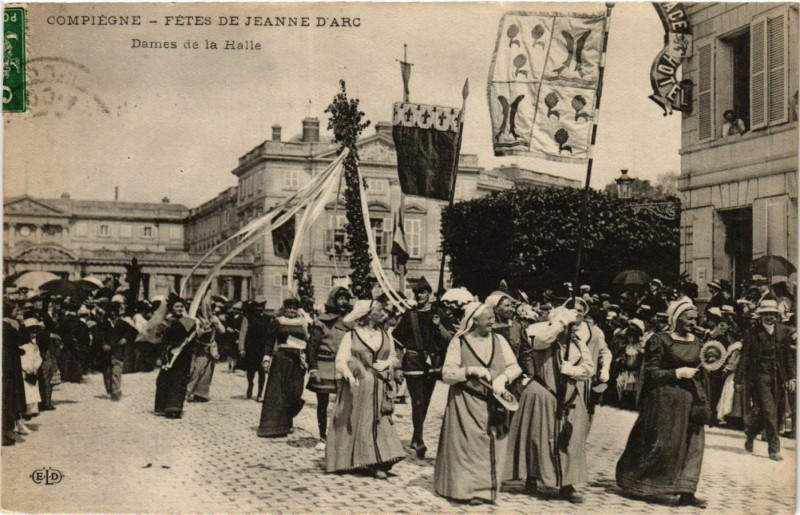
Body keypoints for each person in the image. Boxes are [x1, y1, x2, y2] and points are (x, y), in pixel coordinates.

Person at [616, 299, 710, 508]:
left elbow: (703, 367)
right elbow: (651, 373)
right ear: (676, 318)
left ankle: (687, 491)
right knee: (664, 445)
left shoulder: (698, 342)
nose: (693, 322)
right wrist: (676, 373)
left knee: (693, 445)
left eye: (695, 318)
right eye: (688, 318)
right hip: (665, 400)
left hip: (691, 400)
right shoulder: (660, 340)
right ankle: (643, 484)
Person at [434, 302, 522, 505]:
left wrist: (503, 378)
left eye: (493, 317)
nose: (492, 321)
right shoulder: (459, 342)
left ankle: (485, 491)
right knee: (466, 447)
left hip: (493, 402)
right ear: (474, 320)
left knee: (490, 445)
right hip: (465, 401)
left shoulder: (499, 340)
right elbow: (447, 374)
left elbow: (514, 367)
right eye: (488, 317)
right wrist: (469, 371)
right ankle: (464, 491)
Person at [505, 306, 592, 504]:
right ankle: (532, 476)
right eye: (569, 327)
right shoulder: (542, 336)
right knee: (538, 437)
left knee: (571, 438)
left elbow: (588, 368)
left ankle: (567, 484)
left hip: (570, 397)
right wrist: (561, 323)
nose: (571, 330)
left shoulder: (578, 343)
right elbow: (541, 342)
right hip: (544, 393)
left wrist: (573, 370)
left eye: (573, 327)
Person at [326, 300, 405, 478]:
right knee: (354, 422)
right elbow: (341, 360)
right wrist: (349, 376)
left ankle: (377, 460)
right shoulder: (351, 336)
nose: (383, 313)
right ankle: (352, 461)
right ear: (368, 314)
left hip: (379, 386)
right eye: (378, 310)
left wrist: (386, 363)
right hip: (358, 386)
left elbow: (393, 357)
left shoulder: (386, 335)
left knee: (378, 421)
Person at [392, 276, 452, 458]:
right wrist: (398, 366)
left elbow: (450, 339)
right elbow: (396, 341)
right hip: (413, 362)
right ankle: (419, 441)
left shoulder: (438, 313)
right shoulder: (409, 315)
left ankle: (415, 437)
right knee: (417, 402)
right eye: (417, 293)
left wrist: (438, 325)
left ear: (429, 294)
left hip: (433, 363)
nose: (419, 295)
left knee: (425, 403)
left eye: (423, 292)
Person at [735, 298, 795, 461]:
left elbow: (788, 357)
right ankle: (774, 450)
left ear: (776, 315)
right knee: (769, 411)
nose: (769, 317)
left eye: (772, 314)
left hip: (778, 377)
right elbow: (745, 357)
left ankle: (750, 435)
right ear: (760, 316)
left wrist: (792, 378)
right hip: (760, 378)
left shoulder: (783, 332)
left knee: (772, 412)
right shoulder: (752, 333)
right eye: (766, 314)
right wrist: (738, 380)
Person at [306, 287, 352, 451]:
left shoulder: (351, 321)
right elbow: (311, 346)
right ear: (333, 300)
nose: (343, 302)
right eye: (340, 298)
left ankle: (340, 436)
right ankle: (322, 436)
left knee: (344, 403)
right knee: (322, 403)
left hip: (343, 367)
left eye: (346, 299)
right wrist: (313, 368)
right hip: (324, 365)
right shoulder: (321, 321)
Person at [257, 298, 309, 438]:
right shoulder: (278, 321)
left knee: (295, 392)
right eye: (289, 308)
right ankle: (279, 425)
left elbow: (309, 341)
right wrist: (266, 359)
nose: (292, 311)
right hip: (282, 359)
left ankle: (288, 419)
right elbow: (269, 341)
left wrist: (308, 360)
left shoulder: (303, 322)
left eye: (294, 308)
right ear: (284, 309)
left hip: (297, 360)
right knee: (279, 393)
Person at [154, 297, 199, 418]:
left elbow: (193, 339)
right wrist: (160, 356)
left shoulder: (189, 322)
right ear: (171, 308)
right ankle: (162, 406)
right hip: (169, 356)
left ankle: (175, 407)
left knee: (179, 380)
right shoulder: (166, 322)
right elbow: (161, 340)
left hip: (182, 356)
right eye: (176, 307)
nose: (179, 309)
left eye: (181, 307)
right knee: (164, 380)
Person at [96, 302, 137, 401]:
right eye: (111, 312)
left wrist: (125, 338)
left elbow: (133, 332)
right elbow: (99, 336)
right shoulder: (103, 324)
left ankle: (116, 390)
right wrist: (103, 344)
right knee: (107, 371)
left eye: (115, 311)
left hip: (118, 351)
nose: (113, 314)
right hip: (106, 352)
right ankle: (109, 389)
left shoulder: (122, 323)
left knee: (117, 370)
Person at [3, 306, 28, 446]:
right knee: (7, 399)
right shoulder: (7, 327)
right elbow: (24, 339)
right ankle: (5, 433)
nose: (18, 312)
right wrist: (22, 323)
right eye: (16, 310)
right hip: (8, 368)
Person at [185, 310, 223, 403]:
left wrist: (217, 323)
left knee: (208, 371)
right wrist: (203, 329)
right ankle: (187, 391)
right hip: (198, 347)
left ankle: (201, 394)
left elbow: (222, 330)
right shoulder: (193, 317)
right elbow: (191, 333)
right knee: (196, 370)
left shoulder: (213, 318)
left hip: (211, 348)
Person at [237, 301, 271, 401]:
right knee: (250, 371)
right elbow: (242, 334)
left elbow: (271, 336)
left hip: (263, 349)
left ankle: (260, 393)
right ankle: (250, 385)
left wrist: (271, 350)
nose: (259, 309)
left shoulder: (268, 319)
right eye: (257, 307)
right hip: (251, 348)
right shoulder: (247, 318)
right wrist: (241, 348)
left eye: (261, 307)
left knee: (262, 372)